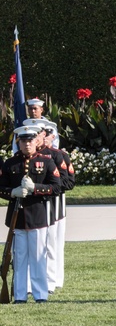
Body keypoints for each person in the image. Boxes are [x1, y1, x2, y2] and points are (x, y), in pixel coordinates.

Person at [0, 125, 61, 303]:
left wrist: (36, 188)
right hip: (16, 219)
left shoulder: (47, 161)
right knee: (19, 259)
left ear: (36, 141)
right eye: (23, 141)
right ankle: (19, 295)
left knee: (38, 258)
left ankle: (40, 294)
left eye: (30, 141)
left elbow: (57, 187)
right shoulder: (11, 163)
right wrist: (13, 192)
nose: (27, 144)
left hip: (38, 216)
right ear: (18, 143)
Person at [30, 119, 74, 292]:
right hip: (34, 206)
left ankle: (53, 280)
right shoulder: (28, 157)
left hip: (55, 206)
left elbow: (68, 182)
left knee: (53, 245)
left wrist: (46, 188)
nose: (41, 138)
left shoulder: (57, 155)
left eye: (42, 134)